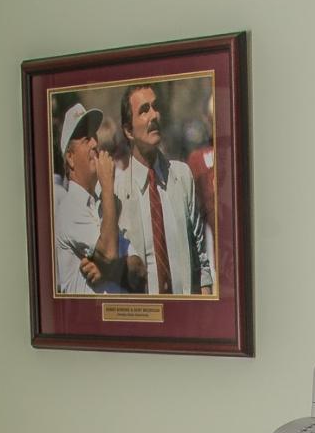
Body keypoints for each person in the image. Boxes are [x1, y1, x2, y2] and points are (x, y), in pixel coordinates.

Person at [107, 82, 216, 296]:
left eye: (155, 107)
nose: (154, 115)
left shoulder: (182, 176)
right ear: (128, 130)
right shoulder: (116, 193)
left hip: (186, 316)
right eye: (144, 110)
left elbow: (201, 260)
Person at [51, 102, 130, 295]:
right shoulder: (70, 208)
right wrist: (108, 186)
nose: (95, 144)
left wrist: (110, 270)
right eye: (87, 140)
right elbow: (110, 253)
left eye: (94, 137)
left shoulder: (100, 204)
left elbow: (138, 266)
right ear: (70, 158)